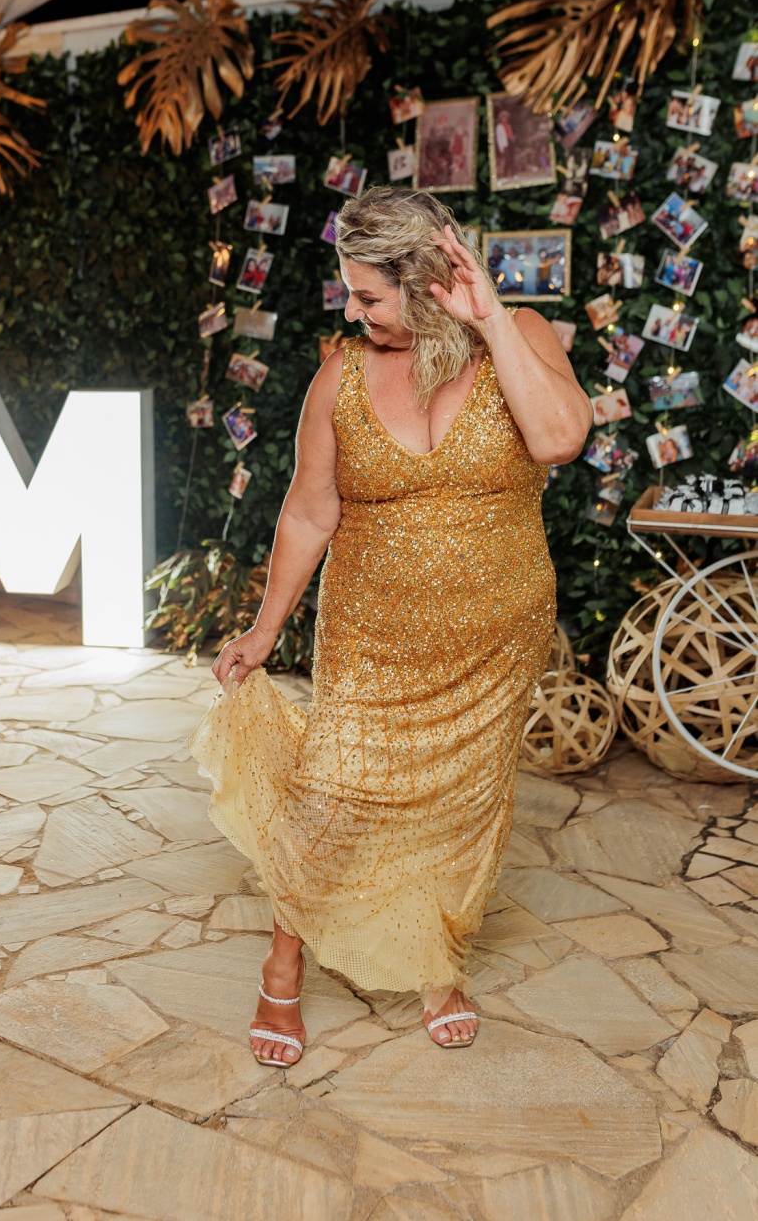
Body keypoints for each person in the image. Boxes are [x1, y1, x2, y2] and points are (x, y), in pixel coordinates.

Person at [188, 187, 592, 1065]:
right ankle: (283, 963)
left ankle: (433, 960)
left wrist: (488, 319)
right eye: (350, 292)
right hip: (370, 636)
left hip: (494, 637)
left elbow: (560, 439)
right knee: (332, 796)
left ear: (426, 282)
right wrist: (264, 629)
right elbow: (309, 511)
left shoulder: (518, 336)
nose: (352, 311)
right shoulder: (339, 374)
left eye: (368, 296)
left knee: (461, 806)